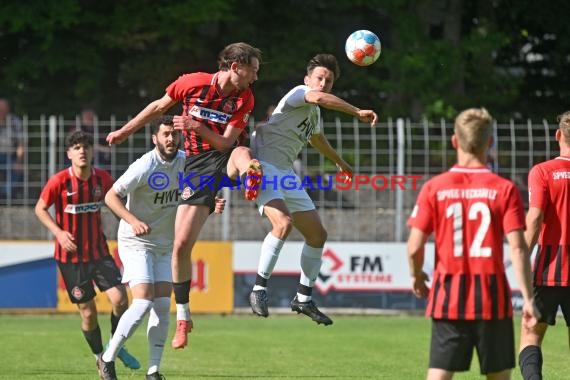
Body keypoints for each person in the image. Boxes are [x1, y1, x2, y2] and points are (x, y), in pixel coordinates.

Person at [106, 42, 263, 349]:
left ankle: (249, 177)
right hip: (197, 167)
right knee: (180, 247)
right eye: (252, 70)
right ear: (235, 67)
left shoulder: (245, 98)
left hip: (224, 154)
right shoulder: (192, 83)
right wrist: (125, 131)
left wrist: (195, 126)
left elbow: (223, 143)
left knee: (242, 151)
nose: (255, 77)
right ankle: (184, 318)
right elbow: (157, 107)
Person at [406, 107, 538, 380]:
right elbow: (518, 247)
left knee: (439, 374)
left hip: (448, 295)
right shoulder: (504, 188)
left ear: (455, 141)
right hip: (493, 296)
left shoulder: (435, 187)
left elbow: (414, 247)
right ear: (489, 143)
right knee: (499, 376)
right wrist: (527, 298)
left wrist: (417, 276)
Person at [247, 53, 378, 325]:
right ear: (307, 80)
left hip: (285, 173)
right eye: (319, 78)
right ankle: (259, 289)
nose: (323, 83)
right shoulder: (300, 93)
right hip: (263, 167)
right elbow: (318, 98)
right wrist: (356, 111)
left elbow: (317, 139)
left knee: (317, 235)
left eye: (328, 81)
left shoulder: (314, 113)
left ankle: (303, 299)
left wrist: (340, 162)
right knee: (283, 223)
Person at [98, 116, 225, 379]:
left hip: (165, 244)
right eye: (165, 134)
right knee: (143, 301)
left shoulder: (185, 162)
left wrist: (211, 205)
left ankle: (154, 370)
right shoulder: (145, 164)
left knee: (161, 305)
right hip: (136, 242)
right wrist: (133, 220)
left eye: (174, 134)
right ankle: (107, 358)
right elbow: (110, 195)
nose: (171, 139)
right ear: (155, 138)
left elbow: (191, 198)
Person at [34, 130, 141, 375]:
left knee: (121, 300)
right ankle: (100, 358)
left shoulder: (102, 179)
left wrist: (132, 221)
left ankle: (115, 345)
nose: (82, 151)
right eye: (77, 147)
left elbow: (117, 203)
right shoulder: (59, 181)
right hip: (70, 259)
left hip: (99, 253)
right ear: (69, 154)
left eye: (86, 147)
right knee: (88, 313)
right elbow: (40, 209)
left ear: (92, 151)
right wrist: (59, 233)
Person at [518, 111, 570, 380]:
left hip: (548, 269)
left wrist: (521, 257)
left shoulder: (543, 172)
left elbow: (535, 218)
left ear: (558, 135)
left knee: (530, 336)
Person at [0, 98, 24, 200]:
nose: (2, 111)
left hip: (10, 155)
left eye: (4, 109)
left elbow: (21, 144)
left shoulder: (15, 122)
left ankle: (5, 194)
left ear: (8, 109)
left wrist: (19, 162)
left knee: (18, 170)